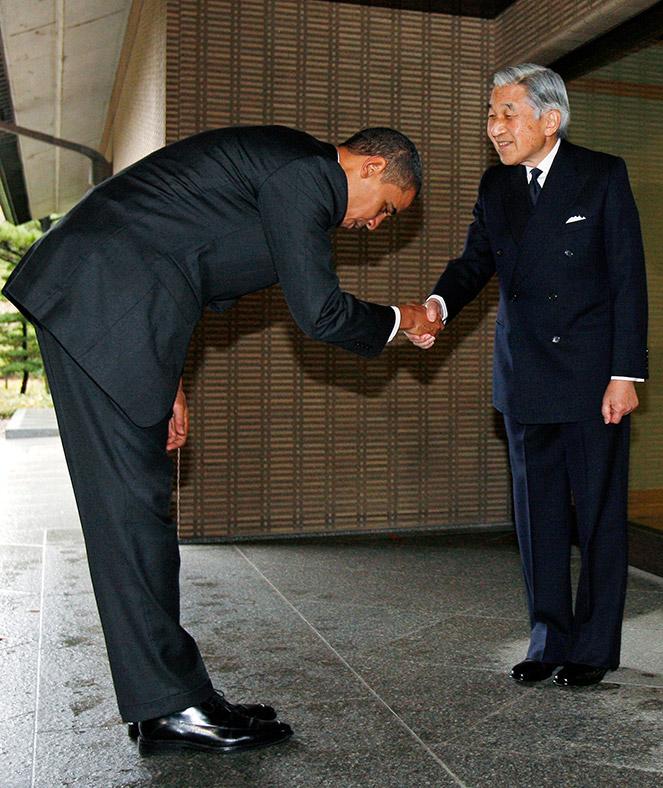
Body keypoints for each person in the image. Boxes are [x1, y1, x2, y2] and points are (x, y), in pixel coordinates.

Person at [2, 125, 441, 754]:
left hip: (123, 307)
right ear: (372, 166)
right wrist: (404, 320)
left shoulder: (292, 177)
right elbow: (318, 312)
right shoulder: (306, 177)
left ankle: (177, 697)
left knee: (140, 506)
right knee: (131, 512)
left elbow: (188, 263)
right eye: (387, 211)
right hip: (103, 301)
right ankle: (169, 708)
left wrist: (170, 379)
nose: (376, 227)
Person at [407, 64, 648, 687]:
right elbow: (472, 264)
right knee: (536, 515)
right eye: (490, 115)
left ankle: (592, 649)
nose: (494, 128)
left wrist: (626, 374)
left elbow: (628, 280)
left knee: (596, 514)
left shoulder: (601, 174)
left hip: (593, 378)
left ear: (550, 118)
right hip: (524, 376)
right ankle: (548, 641)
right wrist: (435, 306)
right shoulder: (497, 189)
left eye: (506, 114)